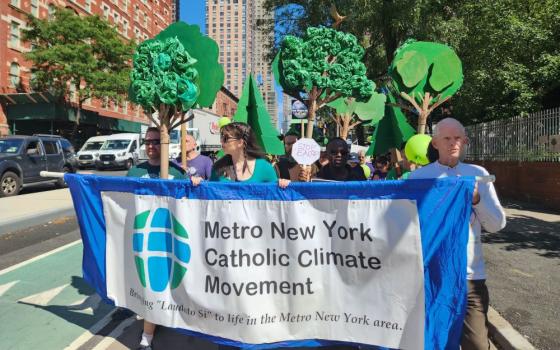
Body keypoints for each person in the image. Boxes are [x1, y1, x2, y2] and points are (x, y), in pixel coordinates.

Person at [408, 118, 506, 350]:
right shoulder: (419, 179)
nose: (454, 143)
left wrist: (476, 199)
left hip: (469, 277)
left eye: (458, 138)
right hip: (431, 276)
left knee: (477, 344)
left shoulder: (478, 174)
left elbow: (497, 224)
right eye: (447, 138)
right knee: (432, 339)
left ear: (466, 141)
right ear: (435, 143)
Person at [126, 127, 187, 349]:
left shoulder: (177, 172)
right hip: (144, 237)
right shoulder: (135, 172)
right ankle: (147, 338)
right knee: (150, 286)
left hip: (169, 237)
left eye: (155, 141)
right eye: (147, 141)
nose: (151, 146)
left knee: (169, 284)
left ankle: (168, 319)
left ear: (165, 144)